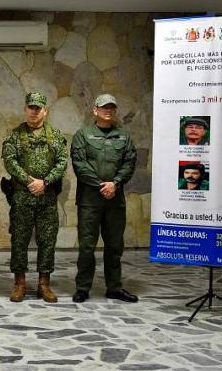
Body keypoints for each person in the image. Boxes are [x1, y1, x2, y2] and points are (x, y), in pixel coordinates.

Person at [71, 94, 138, 303]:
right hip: (89, 201)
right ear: (95, 110)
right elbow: (80, 165)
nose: (108, 111)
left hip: (115, 201)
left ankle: (114, 288)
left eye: (111, 108)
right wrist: (102, 185)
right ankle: (82, 288)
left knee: (115, 246)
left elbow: (129, 163)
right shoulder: (83, 135)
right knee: (86, 247)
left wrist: (115, 183)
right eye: (103, 107)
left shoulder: (124, 137)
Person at [1, 92, 67, 303]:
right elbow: (10, 161)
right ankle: (19, 283)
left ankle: (44, 284)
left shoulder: (55, 136)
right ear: (26, 109)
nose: (34, 111)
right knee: (19, 241)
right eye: (31, 107)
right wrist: (30, 181)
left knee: (47, 241)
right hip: (22, 198)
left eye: (38, 108)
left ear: (45, 111)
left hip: (47, 198)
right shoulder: (15, 135)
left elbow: (62, 162)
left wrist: (45, 182)